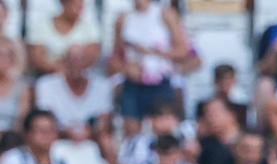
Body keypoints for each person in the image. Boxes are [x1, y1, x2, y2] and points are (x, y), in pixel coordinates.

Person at [108, 0, 188, 136]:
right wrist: (125, 68)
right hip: (133, 84)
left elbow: (182, 51)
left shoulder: (165, 14)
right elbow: (114, 57)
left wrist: (152, 52)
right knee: (131, 132)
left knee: (163, 130)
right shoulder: (123, 19)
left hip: (160, 82)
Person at [34, 45, 114, 140]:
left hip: (92, 139)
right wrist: (66, 132)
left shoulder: (102, 85)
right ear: (64, 62)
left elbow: (104, 121)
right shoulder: (45, 84)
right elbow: (45, 120)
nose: (75, 64)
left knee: (106, 140)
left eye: (79, 60)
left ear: (87, 63)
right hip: (57, 138)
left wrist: (88, 131)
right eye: (71, 60)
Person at [26, 0, 100, 75]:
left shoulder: (89, 27)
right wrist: (60, 69)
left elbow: (92, 56)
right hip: (48, 76)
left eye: (81, 6)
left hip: (79, 77)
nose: (80, 10)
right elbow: (37, 58)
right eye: (76, 6)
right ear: (64, 4)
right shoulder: (42, 25)